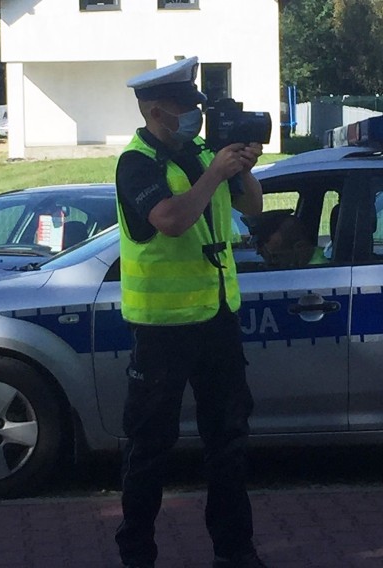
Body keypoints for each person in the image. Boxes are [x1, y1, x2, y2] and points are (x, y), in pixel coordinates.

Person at [114, 56, 268, 568]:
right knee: (149, 448)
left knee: (228, 441)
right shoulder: (137, 163)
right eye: (185, 109)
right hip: (161, 331)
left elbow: (252, 209)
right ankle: (136, 554)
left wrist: (242, 168)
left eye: (197, 107)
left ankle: (235, 551)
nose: (195, 117)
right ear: (157, 112)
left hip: (217, 320)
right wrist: (214, 175)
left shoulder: (204, 153)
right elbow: (172, 220)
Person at [244, 210, 328, 268]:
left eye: (276, 257)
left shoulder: (316, 273)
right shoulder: (313, 266)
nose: (258, 252)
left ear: (300, 247)